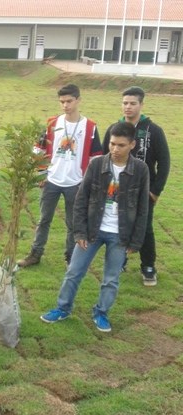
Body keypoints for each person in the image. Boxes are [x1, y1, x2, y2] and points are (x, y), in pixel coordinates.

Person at [40, 122, 149, 333]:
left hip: (121, 235)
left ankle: (101, 312)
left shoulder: (140, 170)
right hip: (92, 231)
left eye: (121, 145)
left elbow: (143, 208)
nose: (115, 149)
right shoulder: (97, 164)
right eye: (112, 143)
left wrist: (136, 241)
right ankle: (62, 308)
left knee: (111, 279)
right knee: (74, 272)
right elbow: (81, 200)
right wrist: (79, 231)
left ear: (132, 145)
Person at [18, 84, 103, 268]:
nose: (65, 105)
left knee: (73, 223)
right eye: (62, 102)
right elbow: (38, 149)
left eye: (69, 101)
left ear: (79, 100)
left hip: (76, 182)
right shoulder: (52, 123)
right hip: (52, 180)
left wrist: (86, 183)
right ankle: (35, 253)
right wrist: (41, 174)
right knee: (43, 220)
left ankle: (71, 257)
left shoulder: (90, 127)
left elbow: (96, 158)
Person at [102, 86, 170, 286]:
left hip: (144, 191)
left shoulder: (153, 130)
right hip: (116, 188)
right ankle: (119, 260)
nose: (128, 107)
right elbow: (104, 158)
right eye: (125, 103)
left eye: (133, 103)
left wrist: (155, 191)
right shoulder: (114, 129)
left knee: (145, 228)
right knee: (118, 225)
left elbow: (164, 162)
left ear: (141, 104)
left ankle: (148, 266)